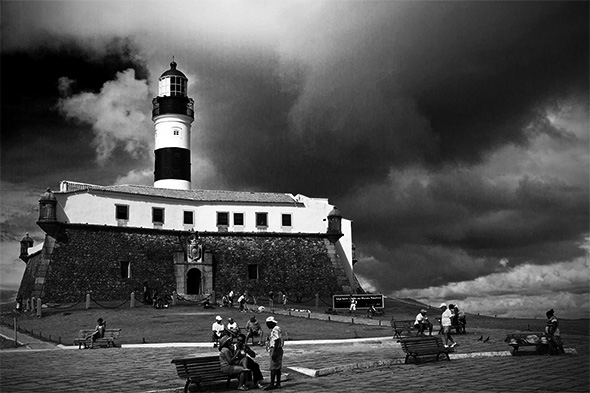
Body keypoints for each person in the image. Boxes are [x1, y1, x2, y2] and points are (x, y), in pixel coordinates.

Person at [264, 316, 283, 390]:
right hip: (278, 349)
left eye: (268, 324)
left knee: (273, 367)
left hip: (275, 349)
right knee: (278, 367)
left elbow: (277, 340)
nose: (267, 325)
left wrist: (274, 352)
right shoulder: (276, 329)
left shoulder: (275, 329)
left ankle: (272, 384)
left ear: (271, 323)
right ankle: (278, 384)